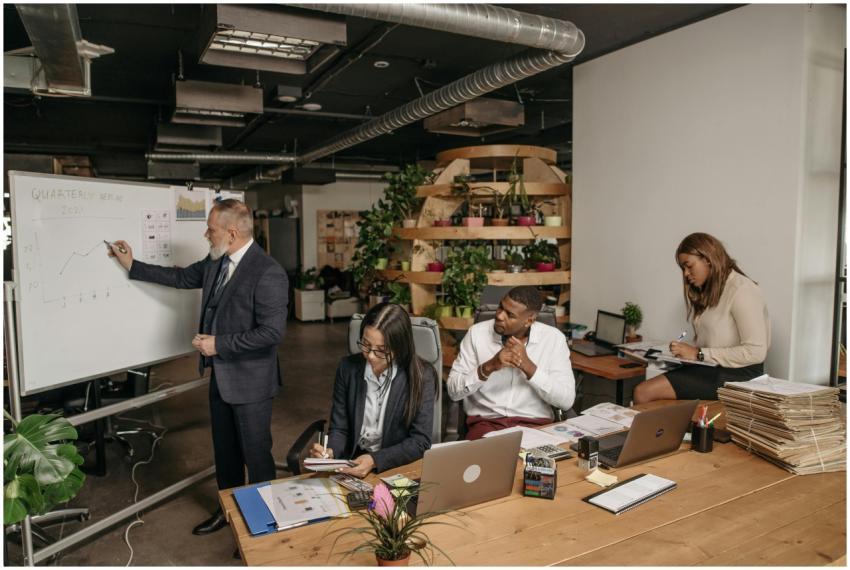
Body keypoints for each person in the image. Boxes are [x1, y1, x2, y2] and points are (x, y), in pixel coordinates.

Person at [107, 199, 288, 535]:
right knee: (226, 454)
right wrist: (132, 265)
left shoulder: (268, 272)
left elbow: (272, 333)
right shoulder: (216, 261)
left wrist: (219, 344)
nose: (206, 234)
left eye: (211, 229)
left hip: (252, 383)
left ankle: (262, 528)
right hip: (222, 378)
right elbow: (181, 277)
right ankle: (229, 514)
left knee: (256, 457)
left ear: (231, 233)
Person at [632, 232, 770, 403]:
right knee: (650, 391)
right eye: (683, 268)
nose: (685, 274)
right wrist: (688, 352)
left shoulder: (742, 290)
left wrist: (699, 354)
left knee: (643, 392)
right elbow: (716, 342)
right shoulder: (711, 290)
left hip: (739, 373)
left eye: (689, 266)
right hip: (714, 368)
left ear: (707, 259)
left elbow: (756, 352)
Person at [309, 303, 436, 477]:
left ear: (400, 348)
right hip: (352, 462)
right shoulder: (348, 368)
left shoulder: (422, 376)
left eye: (381, 350)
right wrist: (330, 451)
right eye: (366, 344)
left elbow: (420, 441)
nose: (370, 356)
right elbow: (340, 429)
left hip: (393, 465)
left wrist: (374, 460)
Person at [446, 286, 576, 440]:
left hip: (535, 426)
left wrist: (528, 367)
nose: (500, 316)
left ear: (529, 320)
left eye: (510, 315)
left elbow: (566, 401)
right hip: (486, 425)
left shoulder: (553, 339)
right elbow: (453, 391)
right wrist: (489, 367)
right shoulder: (477, 334)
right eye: (501, 307)